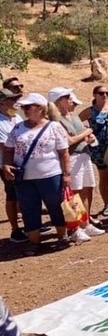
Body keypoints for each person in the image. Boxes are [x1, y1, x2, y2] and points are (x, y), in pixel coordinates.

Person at [2, 93, 71, 253]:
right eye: (24, 107)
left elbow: (64, 153)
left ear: (40, 109)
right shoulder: (18, 128)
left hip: (50, 175)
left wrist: (66, 175)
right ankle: (34, 243)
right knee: (29, 209)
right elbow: (8, 150)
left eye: (28, 107)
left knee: (55, 206)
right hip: (24, 178)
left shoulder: (54, 127)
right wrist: (6, 164)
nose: (24, 110)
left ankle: (62, 237)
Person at [48, 87, 104, 239]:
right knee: (74, 194)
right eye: (66, 96)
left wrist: (88, 138)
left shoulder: (73, 116)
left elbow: (78, 136)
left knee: (86, 190)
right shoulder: (56, 120)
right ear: (58, 101)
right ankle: (75, 228)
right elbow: (69, 140)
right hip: (71, 157)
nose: (70, 98)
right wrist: (87, 133)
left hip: (84, 154)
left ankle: (85, 224)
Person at [78, 85, 108, 216]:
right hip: (98, 148)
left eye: (106, 93)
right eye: (101, 93)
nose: (104, 95)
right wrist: (87, 133)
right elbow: (76, 122)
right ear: (94, 95)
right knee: (104, 176)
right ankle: (107, 205)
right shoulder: (89, 111)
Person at [0, 88, 25, 243]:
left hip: (22, 162)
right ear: (2, 102)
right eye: (12, 99)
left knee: (24, 194)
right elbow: (4, 145)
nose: (16, 102)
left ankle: (30, 224)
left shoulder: (17, 117)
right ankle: (15, 230)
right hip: (6, 164)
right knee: (12, 195)